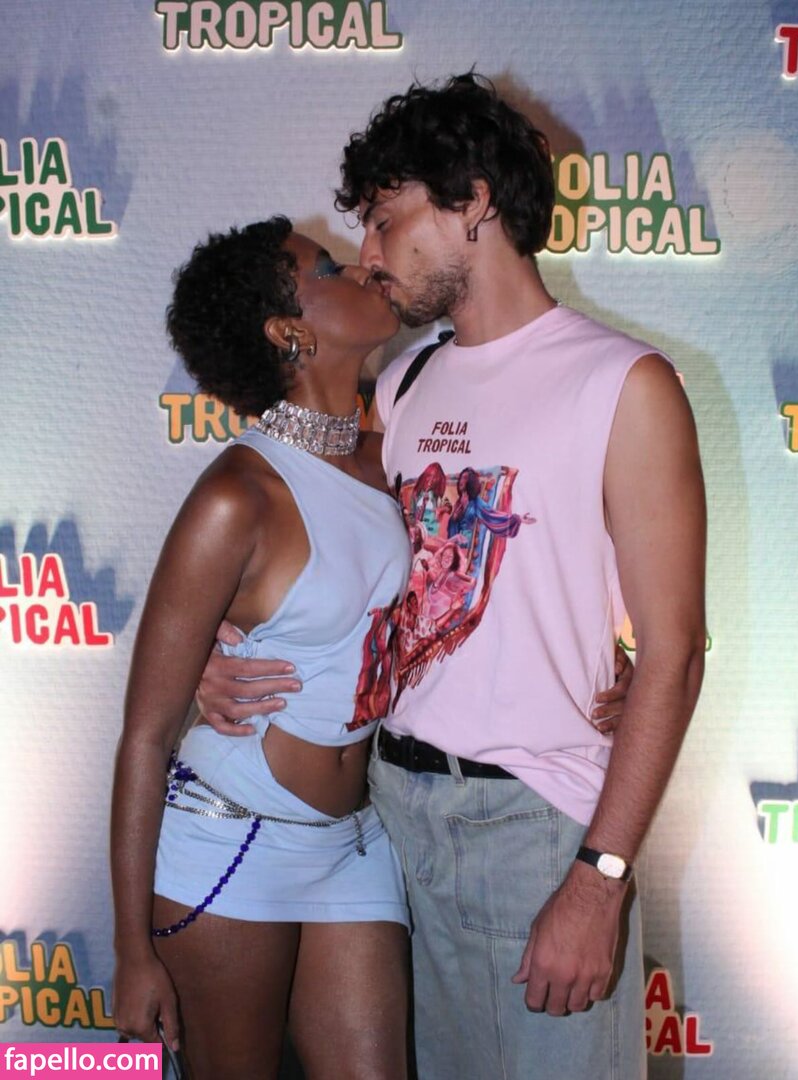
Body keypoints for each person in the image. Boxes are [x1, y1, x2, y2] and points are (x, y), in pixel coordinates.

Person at [198, 74, 706, 1080]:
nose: (370, 256)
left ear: (473, 201)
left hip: (535, 832)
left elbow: (676, 651)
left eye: (387, 221)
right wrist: (224, 643)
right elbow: (312, 537)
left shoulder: (624, 384)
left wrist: (599, 879)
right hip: (388, 820)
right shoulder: (405, 380)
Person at [110, 217, 414, 1080]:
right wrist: (131, 950)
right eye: (328, 269)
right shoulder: (236, 497)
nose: (361, 270)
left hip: (354, 841)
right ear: (290, 332)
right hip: (227, 841)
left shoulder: (391, 458)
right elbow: (145, 735)